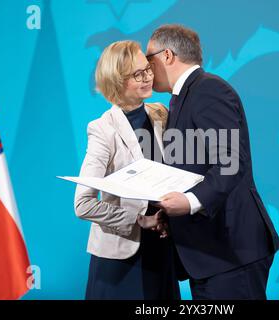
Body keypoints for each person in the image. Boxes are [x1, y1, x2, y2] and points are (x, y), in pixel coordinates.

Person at [146, 24, 279, 299]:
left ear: (168, 56)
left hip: (231, 252)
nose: (146, 69)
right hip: (208, 256)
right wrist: (170, 216)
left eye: (149, 59)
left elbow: (230, 163)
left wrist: (189, 202)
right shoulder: (183, 98)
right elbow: (191, 169)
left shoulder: (209, 90)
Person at [74, 40, 179, 300]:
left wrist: (167, 216)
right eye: (137, 74)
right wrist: (139, 220)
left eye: (147, 70)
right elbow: (83, 205)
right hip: (122, 258)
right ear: (117, 81)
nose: (147, 78)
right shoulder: (102, 129)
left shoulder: (160, 114)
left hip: (163, 248)